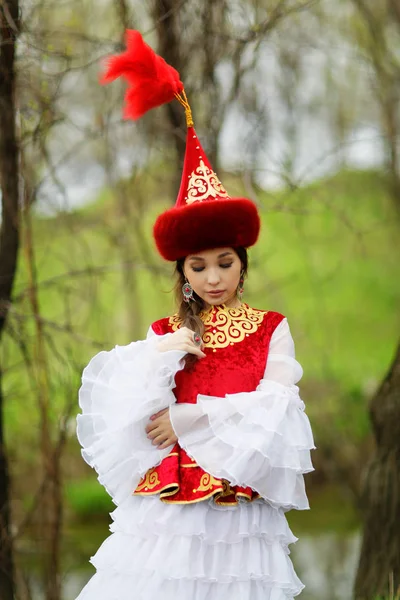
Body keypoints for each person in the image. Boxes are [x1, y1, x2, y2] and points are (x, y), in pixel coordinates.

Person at [76, 30, 315, 600]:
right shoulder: (165, 335)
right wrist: (161, 361)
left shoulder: (269, 329)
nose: (212, 279)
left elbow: (276, 410)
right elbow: (132, 422)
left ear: (242, 264)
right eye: (198, 266)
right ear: (182, 271)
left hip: (239, 504)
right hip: (171, 509)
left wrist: (188, 420)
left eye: (224, 263)